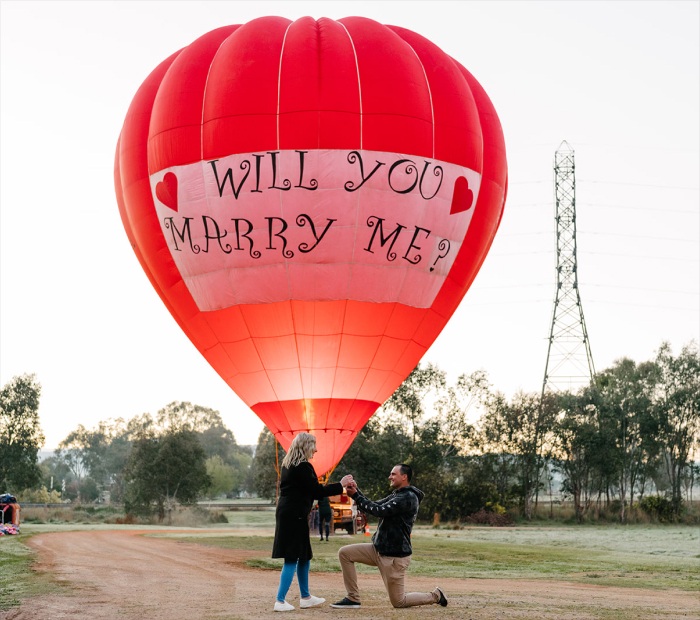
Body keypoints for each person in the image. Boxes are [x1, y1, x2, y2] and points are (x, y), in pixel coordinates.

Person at [330, 464, 448, 609]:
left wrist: (355, 495)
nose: (389, 477)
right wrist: (356, 490)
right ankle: (353, 598)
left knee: (399, 602)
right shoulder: (398, 494)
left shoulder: (408, 497)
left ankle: (436, 596)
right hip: (378, 549)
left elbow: (379, 511)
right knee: (345, 553)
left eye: (393, 474)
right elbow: (374, 505)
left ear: (404, 477)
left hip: (394, 557)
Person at [272, 432, 353, 612]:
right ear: (306, 446)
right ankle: (280, 600)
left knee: (304, 555)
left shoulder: (288, 465)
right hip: (295, 515)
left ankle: (306, 597)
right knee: (292, 556)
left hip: (289, 513)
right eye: (314, 446)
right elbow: (316, 491)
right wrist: (340, 485)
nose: (316, 450)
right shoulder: (303, 466)